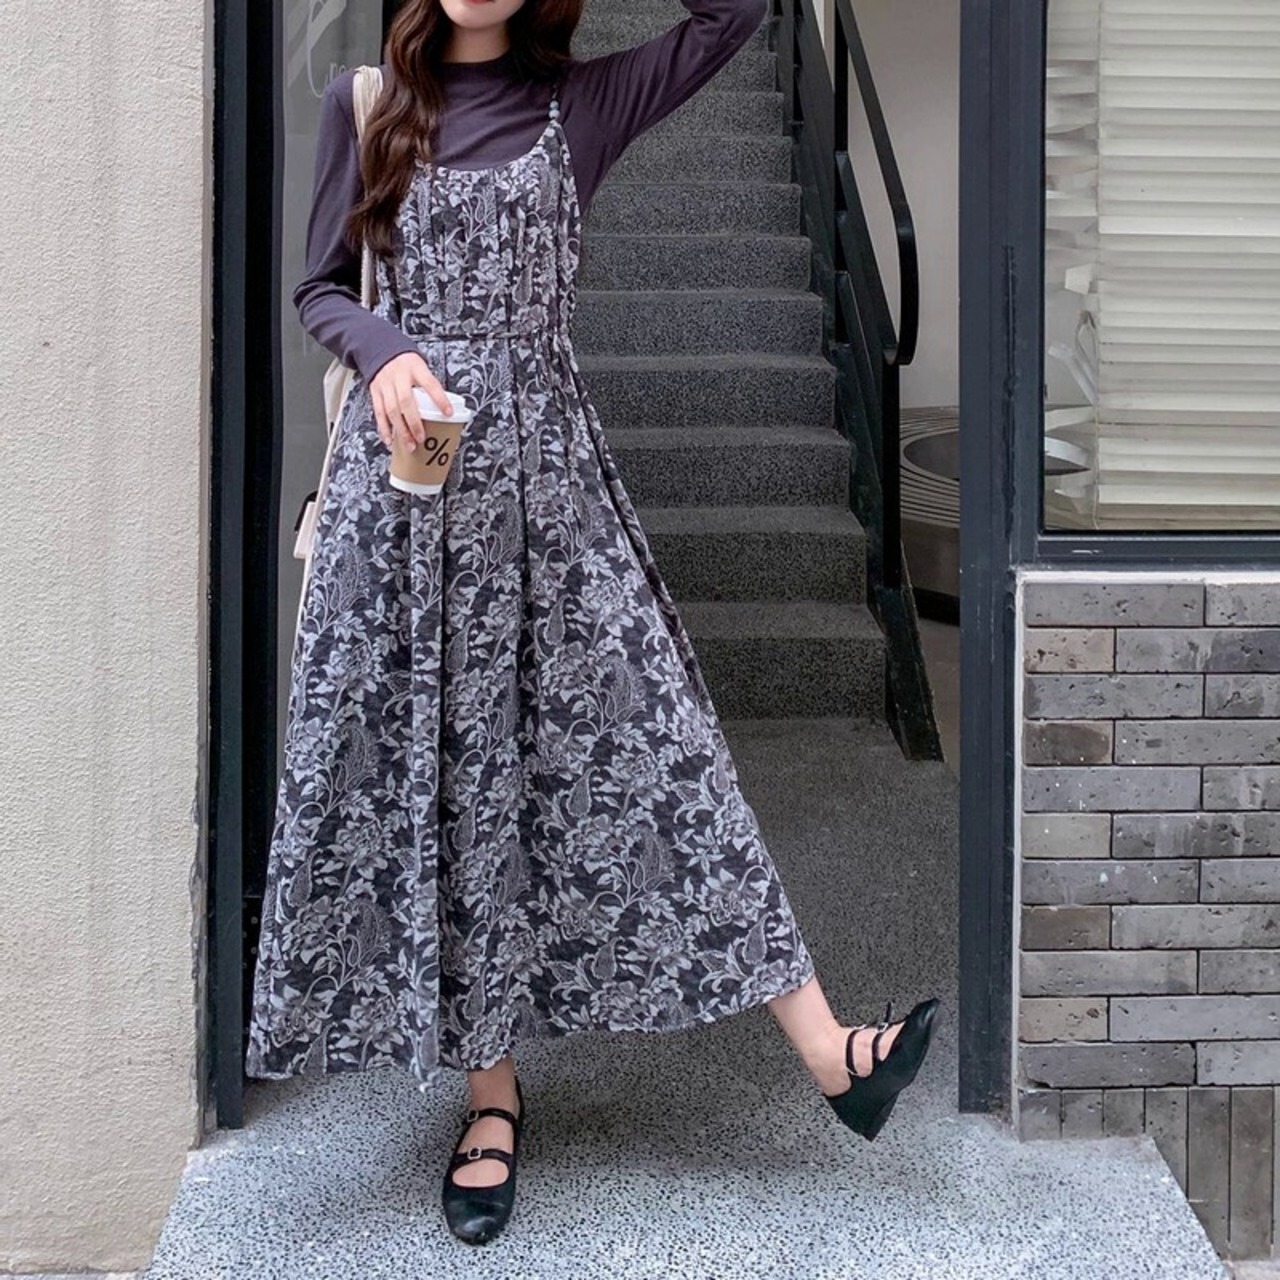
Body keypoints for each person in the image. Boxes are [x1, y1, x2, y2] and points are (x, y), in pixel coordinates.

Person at [245, 0, 940, 1247]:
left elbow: (732, 18)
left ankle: (831, 1050)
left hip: (551, 492)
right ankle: (490, 1096)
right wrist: (386, 345)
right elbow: (316, 287)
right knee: (457, 778)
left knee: (665, 746)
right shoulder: (364, 104)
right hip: (405, 507)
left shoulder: (585, 103)